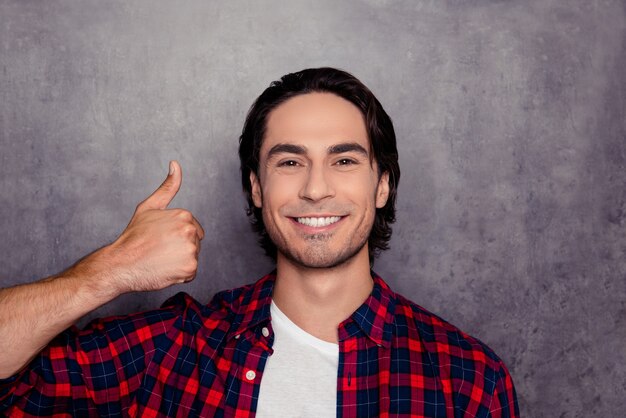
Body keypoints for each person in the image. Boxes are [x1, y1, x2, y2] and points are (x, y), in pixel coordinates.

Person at [0, 67, 519, 417]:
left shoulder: (467, 382)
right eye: (290, 162)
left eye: (344, 160)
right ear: (256, 186)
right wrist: (109, 271)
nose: (316, 188)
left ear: (381, 185)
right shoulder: (170, 350)